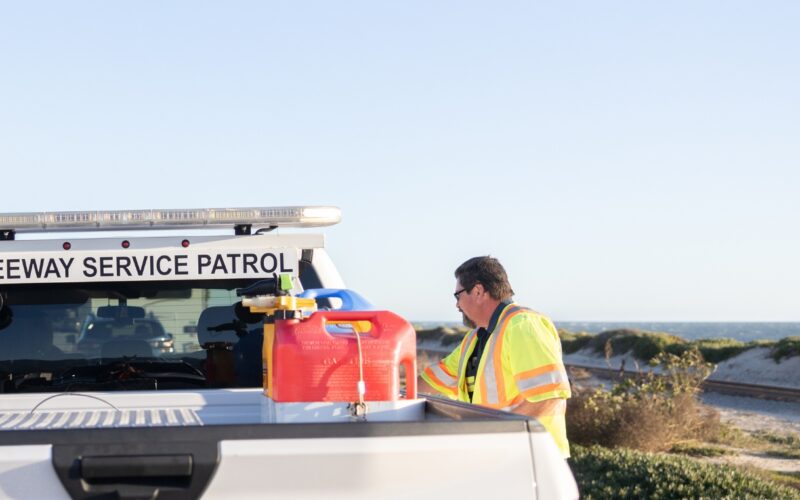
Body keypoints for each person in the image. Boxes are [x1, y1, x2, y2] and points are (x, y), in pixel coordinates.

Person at [418, 256, 572, 457]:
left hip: (533, 458)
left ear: (479, 291)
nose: (457, 305)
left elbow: (550, 398)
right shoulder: (475, 339)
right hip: (501, 455)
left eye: (457, 296)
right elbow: (430, 381)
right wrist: (387, 393)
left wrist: (495, 436)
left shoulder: (522, 326)